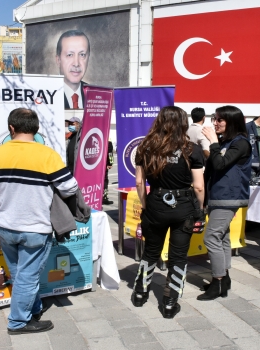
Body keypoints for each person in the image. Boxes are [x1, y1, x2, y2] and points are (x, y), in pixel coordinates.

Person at [0, 108, 79, 334]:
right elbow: (70, 187)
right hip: (35, 227)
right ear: (36, 129)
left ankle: (33, 307)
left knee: (20, 273)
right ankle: (18, 322)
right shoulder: (47, 155)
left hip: (5, 226)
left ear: (11, 128)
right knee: (27, 275)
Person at [132, 106, 205, 318]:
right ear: (183, 123)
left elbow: (139, 182)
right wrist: (199, 209)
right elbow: (199, 186)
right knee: (178, 255)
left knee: (151, 251)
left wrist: (146, 207)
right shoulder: (192, 149)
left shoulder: (145, 148)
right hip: (183, 206)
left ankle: (140, 292)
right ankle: (170, 301)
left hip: (155, 202)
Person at [197, 105, 251, 300]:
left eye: (219, 119)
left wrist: (212, 141)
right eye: (214, 118)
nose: (215, 123)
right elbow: (212, 168)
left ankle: (218, 279)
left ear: (231, 121)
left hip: (229, 196)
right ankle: (224, 278)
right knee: (222, 237)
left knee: (211, 237)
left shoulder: (240, 143)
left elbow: (221, 163)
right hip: (217, 195)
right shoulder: (225, 141)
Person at [56, 30, 89, 109]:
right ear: (58, 60)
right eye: (70, 55)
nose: (76, 63)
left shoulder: (95, 96)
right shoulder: (47, 95)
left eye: (82, 55)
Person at [103, 140, 114, 205]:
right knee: (105, 181)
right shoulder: (108, 142)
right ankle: (105, 197)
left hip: (95, 166)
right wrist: (110, 163)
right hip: (104, 166)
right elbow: (110, 154)